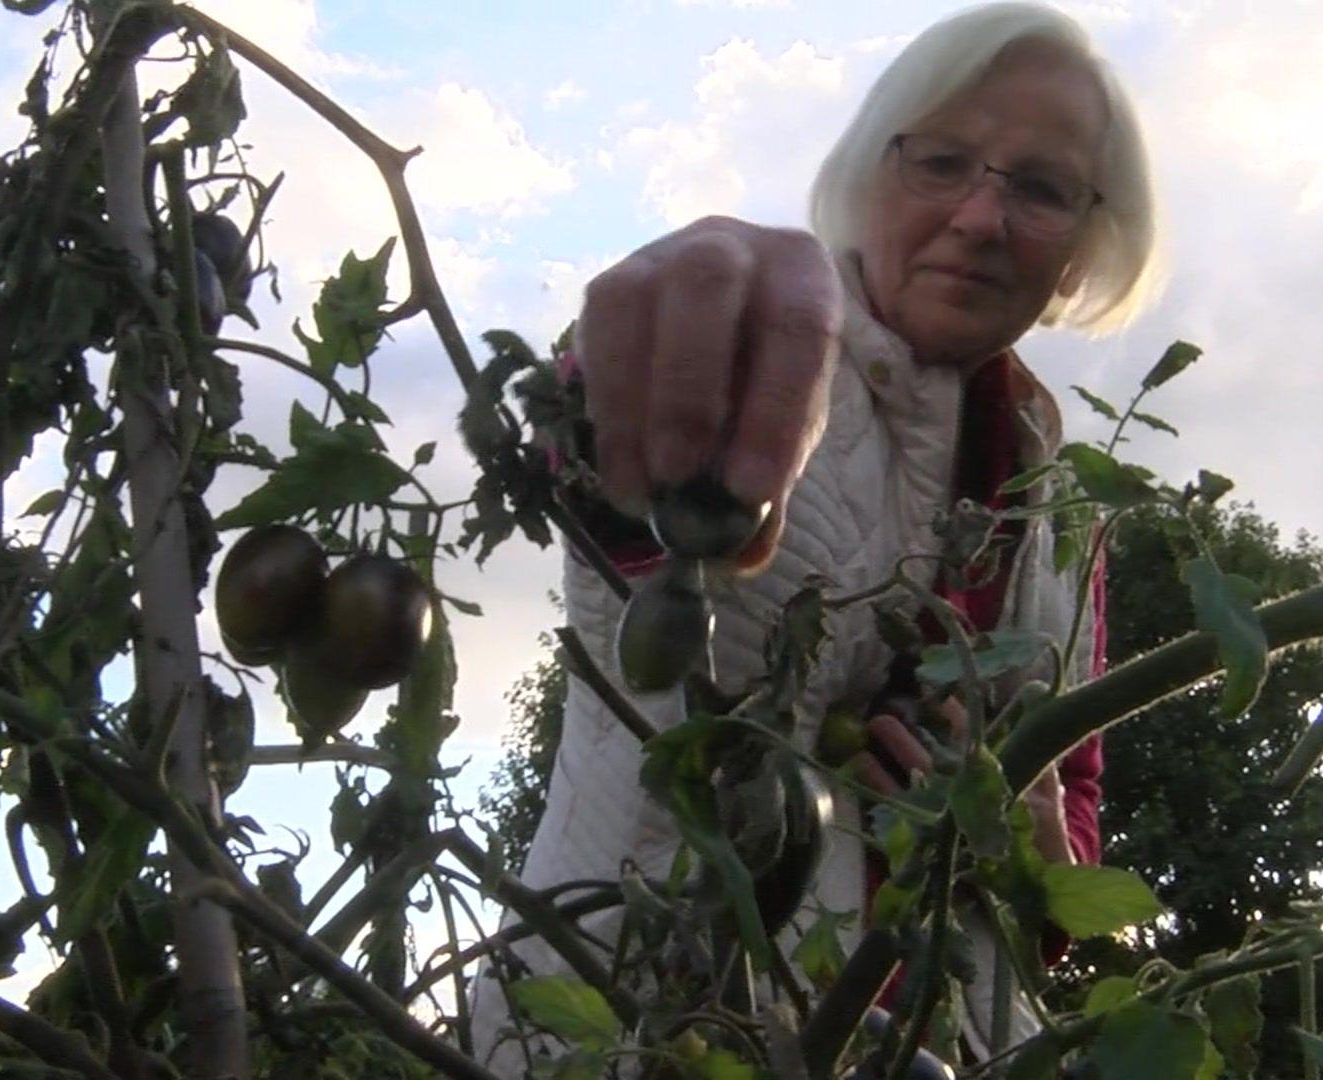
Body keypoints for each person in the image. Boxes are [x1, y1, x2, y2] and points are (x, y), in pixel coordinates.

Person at [469, 2, 1157, 1071]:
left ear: (1080, 250)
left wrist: (1008, 811)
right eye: (943, 162)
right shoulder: (774, 361)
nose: (982, 217)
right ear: (865, 177)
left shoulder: (1066, 513)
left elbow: (1072, 843)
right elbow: (620, 500)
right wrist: (673, 321)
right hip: (636, 1024)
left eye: (1041, 188)